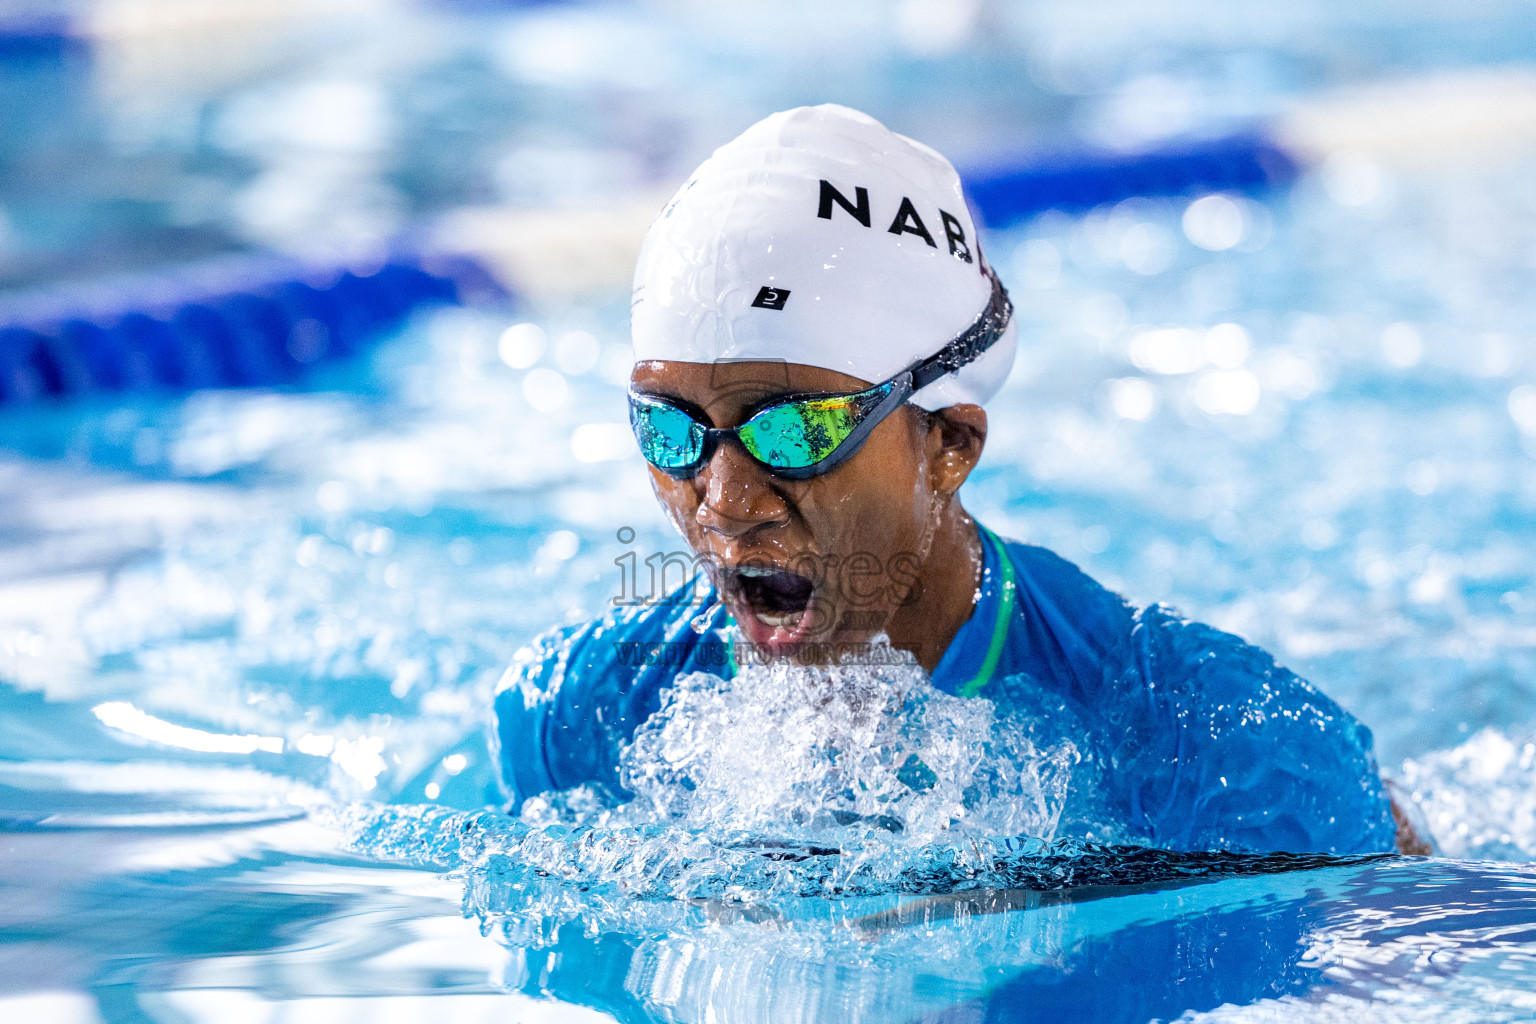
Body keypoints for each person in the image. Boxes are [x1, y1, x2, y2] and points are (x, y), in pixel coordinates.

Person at [491, 104, 1425, 856]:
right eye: (669, 427)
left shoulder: (1221, 750)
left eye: (796, 429)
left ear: (951, 443)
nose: (725, 502)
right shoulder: (584, 714)